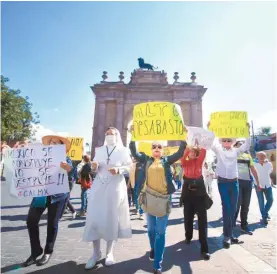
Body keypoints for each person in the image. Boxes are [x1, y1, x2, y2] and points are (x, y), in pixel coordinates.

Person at [129, 126, 187, 274]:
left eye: (159, 147)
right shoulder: (146, 159)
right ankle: (153, 248)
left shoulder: (167, 160)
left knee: (160, 232)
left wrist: (183, 136)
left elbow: (180, 152)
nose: (156, 148)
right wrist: (133, 135)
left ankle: (157, 264)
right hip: (148, 198)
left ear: (162, 150)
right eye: (153, 146)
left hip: (163, 199)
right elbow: (134, 152)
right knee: (150, 230)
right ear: (150, 149)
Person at [83, 127, 132, 270]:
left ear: (117, 136)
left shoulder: (123, 151)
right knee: (95, 217)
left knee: (111, 216)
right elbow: (95, 167)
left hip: (115, 185)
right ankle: (95, 253)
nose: (110, 136)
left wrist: (119, 170)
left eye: (113, 134)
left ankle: (109, 252)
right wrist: (94, 165)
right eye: (107, 134)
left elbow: (129, 167)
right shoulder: (100, 150)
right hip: (99, 185)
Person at [23, 135, 73, 267]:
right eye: (51, 142)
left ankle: (48, 251)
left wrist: (67, 168)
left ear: (61, 146)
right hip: (40, 194)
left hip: (58, 196)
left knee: (52, 223)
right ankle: (36, 251)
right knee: (31, 221)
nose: (53, 144)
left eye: (56, 143)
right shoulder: (41, 156)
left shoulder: (66, 158)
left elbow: (71, 172)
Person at [208, 122, 251, 249]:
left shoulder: (237, 151)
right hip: (223, 182)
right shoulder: (218, 150)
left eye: (229, 140)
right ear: (221, 142)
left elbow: (247, 144)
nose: (226, 142)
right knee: (226, 208)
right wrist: (211, 128)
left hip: (234, 182)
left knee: (232, 210)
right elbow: (211, 143)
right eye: (224, 140)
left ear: (232, 142)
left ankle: (230, 234)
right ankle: (227, 237)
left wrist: (247, 130)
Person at [180, 144, 210, 260]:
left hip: (199, 193)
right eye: (190, 152)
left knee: (202, 220)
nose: (192, 153)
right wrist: (188, 146)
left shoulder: (199, 161)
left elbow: (203, 151)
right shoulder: (185, 162)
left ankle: (204, 248)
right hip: (188, 192)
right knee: (188, 216)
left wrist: (201, 142)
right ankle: (188, 236)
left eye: (194, 152)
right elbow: (183, 157)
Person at [233, 141, 260, 235]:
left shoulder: (248, 156)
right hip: (237, 182)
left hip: (247, 183)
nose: (241, 145)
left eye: (242, 144)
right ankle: (231, 225)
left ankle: (244, 226)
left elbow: (253, 169)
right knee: (237, 204)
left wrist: (258, 182)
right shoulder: (233, 155)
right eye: (239, 144)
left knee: (246, 206)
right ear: (235, 146)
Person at [254, 151, 274, 225]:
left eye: (263, 156)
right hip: (258, 185)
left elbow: (269, 172)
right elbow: (253, 175)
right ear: (257, 157)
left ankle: (265, 213)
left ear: (265, 157)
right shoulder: (255, 164)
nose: (262, 158)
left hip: (267, 184)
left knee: (270, 200)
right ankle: (264, 217)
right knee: (261, 201)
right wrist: (257, 184)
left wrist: (271, 181)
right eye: (260, 156)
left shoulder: (269, 164)